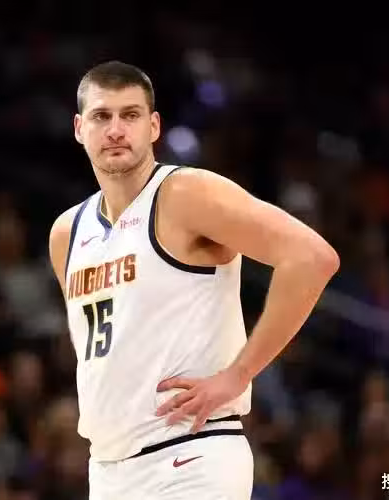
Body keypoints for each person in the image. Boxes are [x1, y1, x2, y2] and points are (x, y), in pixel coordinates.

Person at [48, 60, 340, 500]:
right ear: (78, 128)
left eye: (130, 115)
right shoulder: (67, 233)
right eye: (101, 116)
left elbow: (312, 258)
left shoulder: (184, 194)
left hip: (189, 453)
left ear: (154, 126)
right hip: (108, 469)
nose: (115, 130)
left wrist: (239, 373)